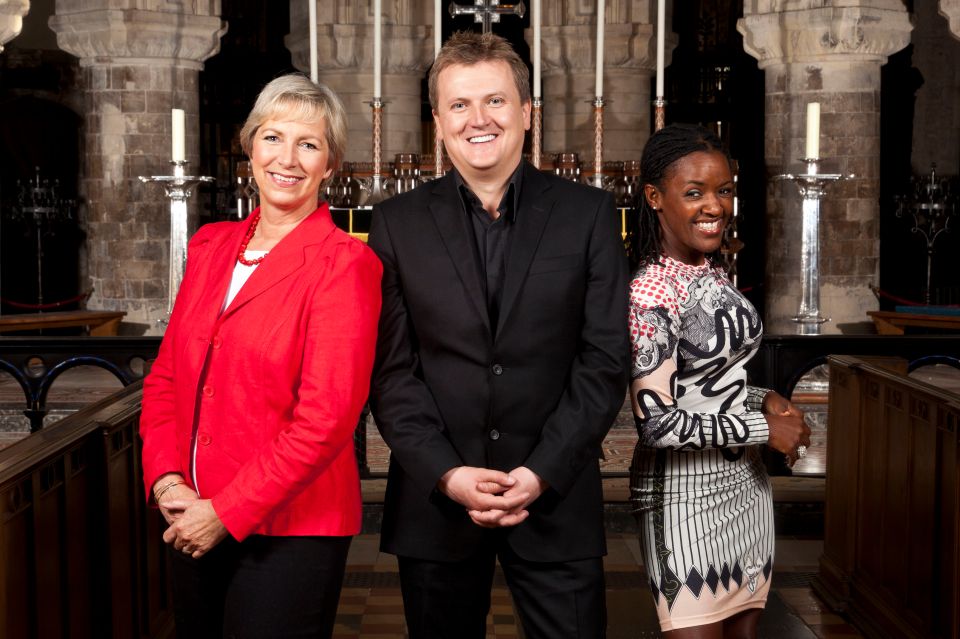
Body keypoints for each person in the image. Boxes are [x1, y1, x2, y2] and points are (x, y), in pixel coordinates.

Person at [367, 31, 629, 639]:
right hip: (437, 504)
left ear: (527, 112)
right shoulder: (395, 224)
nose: (477, 119)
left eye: (496, 101)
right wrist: (447, 474)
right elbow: (391, 371)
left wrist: (541, 472)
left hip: (555, 499)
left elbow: (605, 360)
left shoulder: (587, 214)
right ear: (438, 122)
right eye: (459, 105)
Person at [139, 74, 382, 639]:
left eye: (309, 144)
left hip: (292, 529)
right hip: (188, 514)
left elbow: (326, 421)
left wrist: (223, 513)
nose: (287, 159)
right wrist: (168, 483)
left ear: (330, 164)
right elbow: (166, 379)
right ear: (249, 147)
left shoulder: (345, 264)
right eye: (273, 137)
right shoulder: (209, 246)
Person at [628, 123, 812, 637]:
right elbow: (657, 423)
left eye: (724, 190)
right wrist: (761, 428)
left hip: (746, 491)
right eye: (694, 193)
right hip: (685, 500)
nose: (715, 205)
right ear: (654, 197)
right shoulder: (650, 294)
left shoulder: (711, 271)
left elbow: (709, 384)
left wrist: (765, 396)